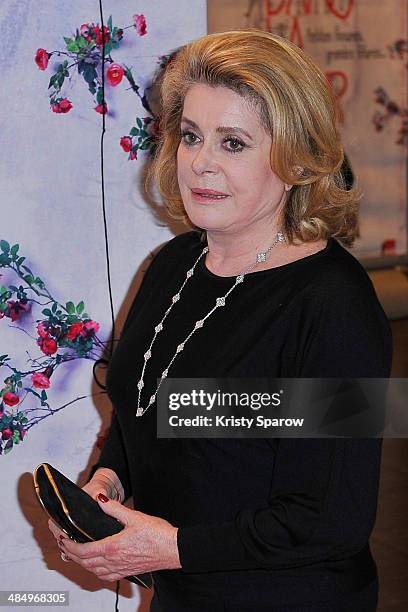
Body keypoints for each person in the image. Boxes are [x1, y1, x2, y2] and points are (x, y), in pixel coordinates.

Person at [49, 30, 392, 611]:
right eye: (190, 136)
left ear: (294, 159)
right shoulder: (174, 264)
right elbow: (151, 413)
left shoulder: (336, 306)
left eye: (233, 143)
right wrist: (110, 480)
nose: (200, 163)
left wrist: (171, 546)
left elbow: (332, 519)